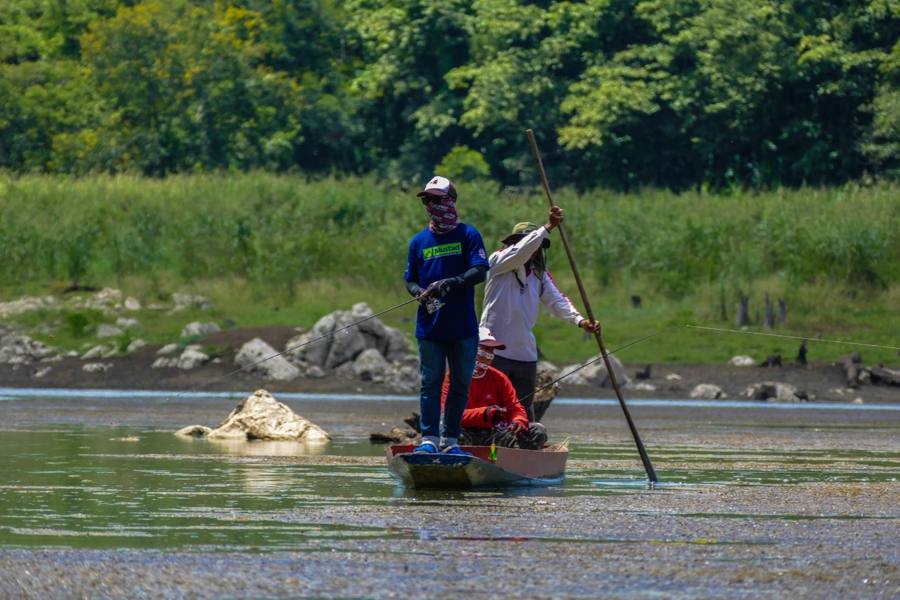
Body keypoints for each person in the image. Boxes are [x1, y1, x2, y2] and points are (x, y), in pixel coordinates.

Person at [480, 206, 600, 420]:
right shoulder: (497, 262)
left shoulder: (539, 274)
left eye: (535, 245)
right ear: (512, 243)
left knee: (523, 411)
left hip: (525, 354)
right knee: (492, 409)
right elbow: (519, 253)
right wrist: (547, 227)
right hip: (494, 350)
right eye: (525, 242)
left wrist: (581, 322)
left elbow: (557, 300)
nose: (531, 249)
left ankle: (524, 443)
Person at [404, 175, 489, 455]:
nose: (431, 205)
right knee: (431, 381)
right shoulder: (418, 241)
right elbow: (410, 279)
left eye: (437, 199)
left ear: (450, 200)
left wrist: (451, 282)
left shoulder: (468, 235)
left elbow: (480, 269)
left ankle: (451, 440)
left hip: (463, 327)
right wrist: (419, 292)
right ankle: (428, 439)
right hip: (430, 328)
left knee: (461, 382)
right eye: (427, 200)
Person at [440, 327, 548, 450]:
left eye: (491, 352)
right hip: (464, 433)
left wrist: (518, 421)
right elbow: (449, 414)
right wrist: (485, 413)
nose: (489, 356)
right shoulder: (452, 377)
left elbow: (516, 408)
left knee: (537, 430)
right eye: (484, 351)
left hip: (494, 434)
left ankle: (516, 460)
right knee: (447, 429)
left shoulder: (499, 378)